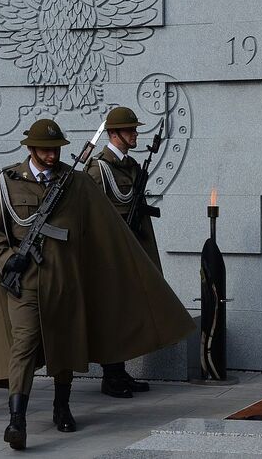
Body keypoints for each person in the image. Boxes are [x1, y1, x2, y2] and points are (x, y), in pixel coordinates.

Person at [0, 118, 195, 450]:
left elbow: (101, 229)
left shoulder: (76, 183)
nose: (52, 156)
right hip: (25, 282)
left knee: (65, 345)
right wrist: (9, 259)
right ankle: (17, 419)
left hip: (67, 280)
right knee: (23, 345)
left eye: (56, 150)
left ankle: (61, 405)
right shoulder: (8, 182)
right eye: (46, 151)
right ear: (31, 149)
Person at [86, 107, 159, 398]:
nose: (135, 134)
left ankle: (120, 371)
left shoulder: (131, 166)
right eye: (130, 130)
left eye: (135, 129)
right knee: (111, 315)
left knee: (126, 313)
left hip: (130, 250)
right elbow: (90, 215)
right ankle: (110, 376)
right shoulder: (98, 168)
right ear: (114, 134)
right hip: (108, 255)